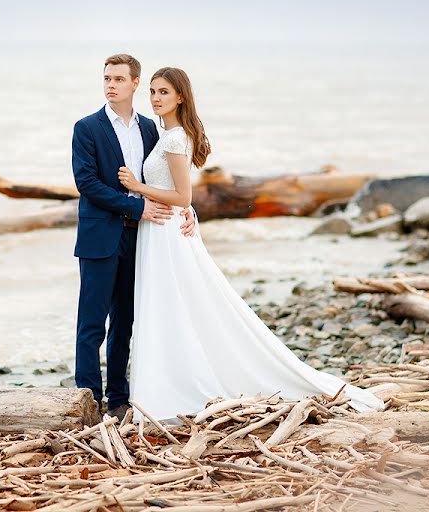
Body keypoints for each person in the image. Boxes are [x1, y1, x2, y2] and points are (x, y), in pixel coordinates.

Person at [117, 67, 384, 420]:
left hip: (166, 232)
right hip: (161, 229)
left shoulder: (173, 139)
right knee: (171, 304)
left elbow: (183, 195)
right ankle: (165, 381)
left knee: (173, 303)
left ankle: (172, 387)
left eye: (163, 92)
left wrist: (138, 187)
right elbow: (184, 200)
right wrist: (180, 208)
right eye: (152, 91)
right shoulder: (168, 135)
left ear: (180, 96)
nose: (155, 98)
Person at [71, 54, 195, 420]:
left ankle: (120, 397)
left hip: (140, 239)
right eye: (106, 78)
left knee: (125, 321)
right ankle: (88, 400)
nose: (111, 85)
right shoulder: (87, 128)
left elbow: (167, 180)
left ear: (134, 83)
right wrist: (135, 207)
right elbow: (87, 183)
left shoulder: (149, 129)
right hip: (100, 236)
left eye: (119, 79)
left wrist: (186, 209)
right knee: (92, 322)